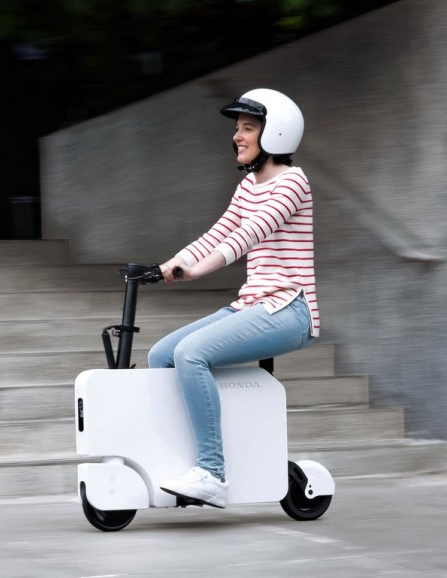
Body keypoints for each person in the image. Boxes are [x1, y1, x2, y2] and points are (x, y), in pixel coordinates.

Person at [150, 88, 319, 509]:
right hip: (252, 306)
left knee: (191, 354)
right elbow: (219, 232)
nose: (237, 137)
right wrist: (164, 266)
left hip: (290, 309)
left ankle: (213, 473)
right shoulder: (248, 186)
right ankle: (189, 462)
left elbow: (249, 235)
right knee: (161, 355)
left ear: (276, 133)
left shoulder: (292, 182)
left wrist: (195, 271)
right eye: (237, 129)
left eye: (248, 128)